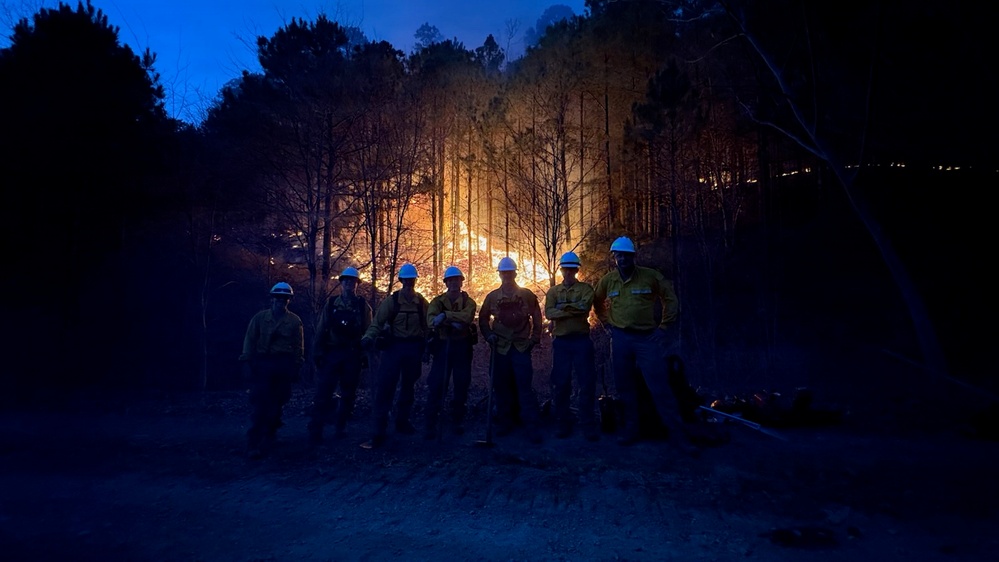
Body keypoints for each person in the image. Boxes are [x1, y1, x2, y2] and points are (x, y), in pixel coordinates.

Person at [592, 236, 695, 452]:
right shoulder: (608, 280)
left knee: (660, 387)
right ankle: (631, 430)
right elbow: (597, 301)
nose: (623, 258)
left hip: (647, 339)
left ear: (633, 256)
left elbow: (670, 299)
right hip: (620, 339)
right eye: (619, 255)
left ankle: (678, 435)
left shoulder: (650, 277)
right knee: (625, 388)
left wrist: (664, 327)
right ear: (614, 258)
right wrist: (606, 324)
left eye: (626, 255)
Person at [360, 263, 430, 448]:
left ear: (415, 281)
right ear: (401, 281)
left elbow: (428, 326)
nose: (409, 283)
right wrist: (368, 337)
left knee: (408, 388)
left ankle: (402, 422)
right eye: (406, 280)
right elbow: (377, 322)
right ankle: (379, 430)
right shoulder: (392, 301)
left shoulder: (421, 303)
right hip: (394, 348)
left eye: (411, 280)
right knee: (385, 388)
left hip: (413, 348)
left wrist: (428, 347)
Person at [478, 256, 544, 444]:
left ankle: (531, 426)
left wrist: (534, 339)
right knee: (501, 387)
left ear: (515, 273)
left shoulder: (527, 295)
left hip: (521, 347)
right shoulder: (492, 297)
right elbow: (483, 319)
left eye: (510, 272)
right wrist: (488, 335)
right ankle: (506, 423)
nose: (507, 276)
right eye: (504, 273)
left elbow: (537, 316)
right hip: (500, 348)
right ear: (500, 275)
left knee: (524, 388)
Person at [239, 281, 304, 459]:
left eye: (284, 299)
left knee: (278, 402)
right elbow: (250, 339)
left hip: (283, 365)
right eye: (278, 298)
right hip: (263, 364)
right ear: (272, 299)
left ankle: (270, 435)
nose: (280, 301)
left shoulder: (294, 321)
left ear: (288, 301)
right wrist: (246, 360)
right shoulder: (259, 319)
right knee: (261, 404)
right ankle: (254, 442)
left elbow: (298, 346)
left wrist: (297, 366)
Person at [308, 267, 372, 445]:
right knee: (324, 392)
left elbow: (368, 330)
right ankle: (316, 428)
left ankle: (340, 426)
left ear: (356, 284)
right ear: (341, 283)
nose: (349, 284)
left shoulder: (362, 306)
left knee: (348, 393)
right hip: (332, 353)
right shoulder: (331, 304)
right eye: (346, 281)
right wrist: (317, 352)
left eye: (352, 281)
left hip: (352, 354)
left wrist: (365, 354)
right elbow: (321, 329)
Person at [544, 251, 599, 441]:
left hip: (581, 341)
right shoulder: (553, 292)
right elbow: (549, 313)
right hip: (561, 343)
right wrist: (571, 310)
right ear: (561, 270)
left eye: (571, 269)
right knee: (561, 383)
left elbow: (585, 308)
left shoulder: (586, 289)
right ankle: (562, 421)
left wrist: (562, 309)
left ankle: (587, 423)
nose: (568, 272)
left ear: (576, 270)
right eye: (565, 269)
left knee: (587, 383)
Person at [424, 266, 478, 439]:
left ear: (461, 282)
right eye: (451, 280)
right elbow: (431, 320)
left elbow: (467, 317)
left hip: (462, 346)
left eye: (457, 280)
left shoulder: (468, 301)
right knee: (438, 384)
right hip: (442, 347)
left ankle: (457, 420)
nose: (454, 283)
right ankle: (431, 422)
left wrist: (446, 316)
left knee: (461, 384)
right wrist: (448, 321)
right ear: (446, 283)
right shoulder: (437, 301)